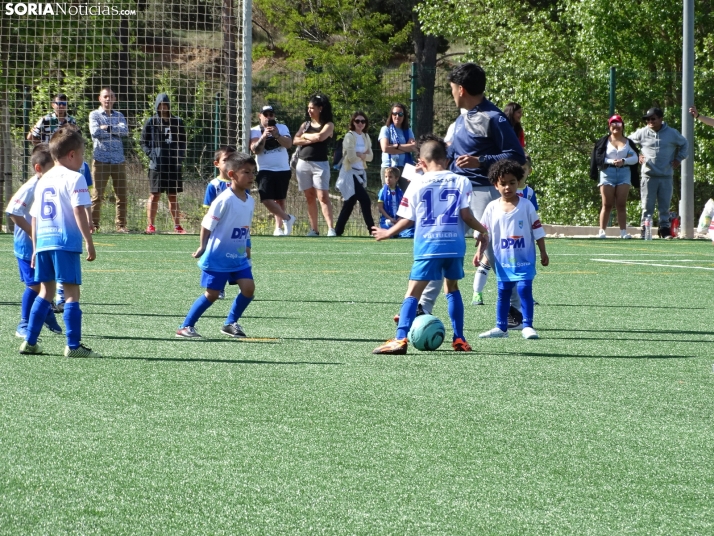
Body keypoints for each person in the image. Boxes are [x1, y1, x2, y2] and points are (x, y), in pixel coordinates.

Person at [419, 63, 526, 322]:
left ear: (461, 89)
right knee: (440, 246)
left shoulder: (494, 117)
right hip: (457, 192)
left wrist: (482, 160)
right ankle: (423, 306)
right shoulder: (460, 120)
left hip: (485, 193)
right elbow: (453, 155)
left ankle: (516, 310)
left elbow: (516, 155)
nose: (452, 93)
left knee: (496, 252)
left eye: (452, 89)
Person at [371, 136, 489, 355]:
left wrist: (388, 232)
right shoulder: (461, 180)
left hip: (429, 246)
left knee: (413, 293)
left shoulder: (417, 182)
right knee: (452, 288)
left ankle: (400, 339)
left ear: (422, 163)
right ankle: (459, 339)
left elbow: (408, 219)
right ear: (446, 159)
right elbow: (466, 215)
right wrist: (483, 230)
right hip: (454, 246)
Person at [19, 126, 99, 357]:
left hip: (43, 241)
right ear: (72, 155)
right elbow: (78, 211)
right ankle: (73, 346)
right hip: (65, 242)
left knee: (45, 292)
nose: (83, 160)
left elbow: (33, 217)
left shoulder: (43, 180)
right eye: (83, 155)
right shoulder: (76, 177)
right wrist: (89, 241)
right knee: (72, 293)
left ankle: (30, 342)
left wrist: (35, 248)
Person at [176, 153, 257, 339]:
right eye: (246, 172)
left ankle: (230, 323)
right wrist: (202, 246)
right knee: (212, 294)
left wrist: (247, 248)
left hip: (238, 257)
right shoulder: (224, 199)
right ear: (232, 174)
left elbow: (245, 228)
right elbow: (206, 224)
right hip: (218, 257)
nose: (251, 176)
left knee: (248, 289)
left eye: (253, 172)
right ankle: (185, 326)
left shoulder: (250, 200)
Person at [477, 160, 548, 340]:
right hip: (503, 260)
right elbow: (485, 233)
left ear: (519, 183)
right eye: (503, 183)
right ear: (496, 185)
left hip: (525, 258)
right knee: (503, 292)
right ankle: (501, 328)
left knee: (525, 289)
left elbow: (537, 230)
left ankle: (528, 326)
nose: (508, 187)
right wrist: (479, 252)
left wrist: (543, 252)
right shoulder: (492, 207)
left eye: (512, 182)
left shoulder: (526, 205)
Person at [5, 143, 63, 338]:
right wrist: (32, 232)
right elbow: (13, 211)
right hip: (27, 246)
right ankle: (24, 323)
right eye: (51, 167)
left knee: (47, 282)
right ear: (39, 168)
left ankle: (44, 312)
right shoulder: (31, 186)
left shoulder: (50, 183)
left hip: (45, 243)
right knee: (35, 285)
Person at [472, 156, 538, 306]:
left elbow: (533, 215)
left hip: (519, 237)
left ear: (529, 172)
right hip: (501, 235)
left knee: (523, 266)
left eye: (524, 169)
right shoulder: (501, 191)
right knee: (488, 261)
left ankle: (523, 297)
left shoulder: (529, 193)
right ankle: (477, 292)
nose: (508, 186)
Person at [628, 107, 688, 239]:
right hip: (648, 175)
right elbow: (627, 142)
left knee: (664, 206)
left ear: (661, 119)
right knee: (647, 206)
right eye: (647, 119)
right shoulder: (642, 133)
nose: (650, 121)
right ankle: (645, 228)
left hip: (666, 175)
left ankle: (664, 229)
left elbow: (685, 144)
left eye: (653, 118)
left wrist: (678, 159)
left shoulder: (672, 133)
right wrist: (636, 155)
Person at [140, 93, 187, 235]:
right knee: (155, 195)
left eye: (165, 104)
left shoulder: (177, 122)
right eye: (160, 105)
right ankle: (151, 225)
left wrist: (179, 157)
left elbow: (183, 142)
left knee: (173, 195)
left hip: (173, 165)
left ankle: (177, 226)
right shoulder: (151, 122)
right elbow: (143, 142)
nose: (163, 107)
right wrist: (152, 154)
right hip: (157, 166)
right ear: (157, 106)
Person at [589, 115, 639, 239]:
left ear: (622, 126)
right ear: (609, 126)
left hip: (624, 173)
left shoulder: (628, 142)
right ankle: (602, 231)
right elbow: (599, 158)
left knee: (621, 204)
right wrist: (612, 162)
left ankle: (623, 232)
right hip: (607, 173)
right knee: (607, 204)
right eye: (613, 124)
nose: (615, 126)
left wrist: (623, 161)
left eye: (618, 124)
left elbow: (634, 158)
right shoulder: (604, 142)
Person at [250, 105, 297, 236]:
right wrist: (264, 136)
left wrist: (276, 135)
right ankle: (287, 218)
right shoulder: (254, 130)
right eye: (266, 114)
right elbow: (256, 150)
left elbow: (288, 144)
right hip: (265, 169)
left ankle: (279, 228)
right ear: (260, 116)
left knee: (280, 199)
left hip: (282, 169)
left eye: (271, 114)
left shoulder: (282, 128)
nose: (269, 117)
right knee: (266, 198)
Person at [293, 94, 336, 237]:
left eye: (312, 108)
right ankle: (314, 229)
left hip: (320, 165)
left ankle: (331, 229)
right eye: (308, 108)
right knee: (309, 197)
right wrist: (306, 138)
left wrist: (305, 136)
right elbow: (295, 140)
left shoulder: (328, 125)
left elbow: (320, 137)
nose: (309, 110)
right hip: (303, 164)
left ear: (320, 108)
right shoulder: (305, 125)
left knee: (323, 196)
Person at [89, 87, 129, 233]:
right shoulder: (94, 115)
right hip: (101, 160)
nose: (108, 99)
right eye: (105, 96)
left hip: (118, 161)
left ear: (115, 99)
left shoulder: (119, 115)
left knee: (122, 195)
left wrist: (108, 128)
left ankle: (121, 225)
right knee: (97, 195)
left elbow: (125, 131)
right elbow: (95, 132)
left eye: (111, 96)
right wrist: (114, 130)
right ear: (100, 99)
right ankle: (94, 226)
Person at [334, 111, 375, 236]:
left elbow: (371, 157)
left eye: (363, 121)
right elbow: (351, 158)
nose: (360, 123)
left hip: (360, 172)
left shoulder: (366, 136)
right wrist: (363, 155)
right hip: (350, 173)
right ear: (353, 122)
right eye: (357, 121)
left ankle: (337, 231)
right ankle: (373, 230)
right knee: (365, 200)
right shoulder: (349, 136)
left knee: (349, 203)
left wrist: (361, 155)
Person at [378, 103, 416, 190]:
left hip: (405, 167)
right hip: (389, 167)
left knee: (407, 195)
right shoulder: (385, 129)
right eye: (394, 113)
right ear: (391, 115)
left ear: (404, 116)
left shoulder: (408, 131)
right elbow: (385, 148)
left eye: (400, 114)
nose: (397, 116)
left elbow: (413, 147)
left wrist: (396, 146)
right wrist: (405, 148)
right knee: (389, 196)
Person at [377, 167, 413, 238]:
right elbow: (380, 208)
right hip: (387, 220)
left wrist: (400, 218)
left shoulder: (400, 192)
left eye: (390, 177)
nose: (387, 179)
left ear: (396, 178)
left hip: (398, 220)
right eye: (386, 177)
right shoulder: (382, 192)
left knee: (408, 234)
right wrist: (390, 218)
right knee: (388, 233)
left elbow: (404, 207)